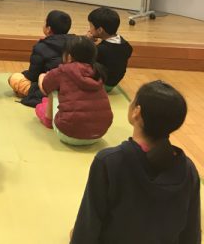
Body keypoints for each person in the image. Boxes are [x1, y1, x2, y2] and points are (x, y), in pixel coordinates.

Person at [71, 81, 200, 243]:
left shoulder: (109, 161)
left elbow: (88, 226)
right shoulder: (188, 169)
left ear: (136, 112)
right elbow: (191, 232)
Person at [36, 36, 113, 146]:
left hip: (67, 134)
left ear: (68, 57)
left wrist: (42, 76)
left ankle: (48, 120)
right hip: (98, 135)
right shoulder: (98, 72)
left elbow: (45, 88)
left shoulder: (63, 71)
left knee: (51, 90)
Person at [8, 9, 73, 106]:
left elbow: (33, 75)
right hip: (73, 88)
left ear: (48, 29)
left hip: (49, 88)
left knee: (14, 78)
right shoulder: (76, 42)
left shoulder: (41, 47)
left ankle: (47, 99)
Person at [87, 7, 133, 91]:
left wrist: (88, 42)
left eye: (91, 26)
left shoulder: (101, 49)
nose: (89, 29)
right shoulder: (126, 45)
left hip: (101, 85)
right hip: (113, 83)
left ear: (100, 30)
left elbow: (85, 59)